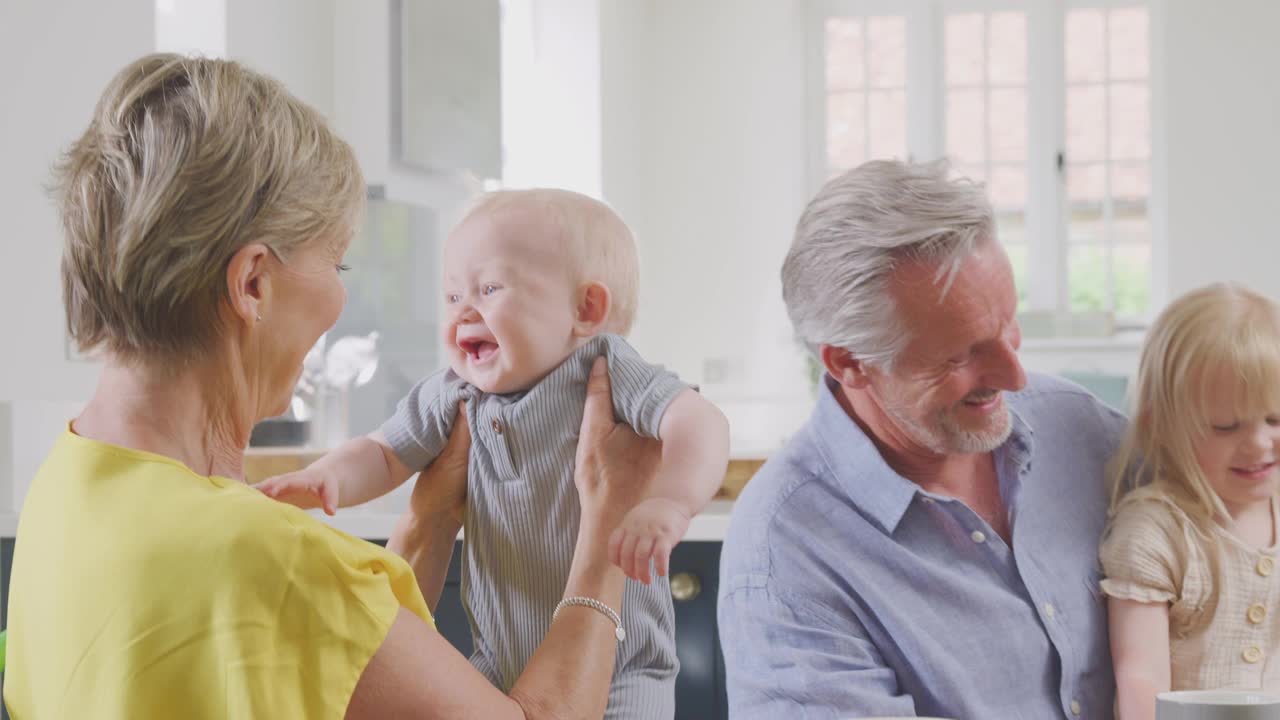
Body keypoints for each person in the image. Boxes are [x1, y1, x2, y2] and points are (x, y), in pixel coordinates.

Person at [3, 52, 664, 720]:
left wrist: (430, 517)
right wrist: (607, 530)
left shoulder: (63, 485)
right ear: (253, 283)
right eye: (336, 260)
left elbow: (351, 671)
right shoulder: (272, 560)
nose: (341, 296)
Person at [257, 188, 730, 718]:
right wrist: (328, 478)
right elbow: (383, 452)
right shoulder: (457, 391)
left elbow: (701, 422)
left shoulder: (607, 370)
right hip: (496, 664)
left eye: (488, 289)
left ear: (585, 308)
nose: (464, 313)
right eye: (453, 297)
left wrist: (670, 502)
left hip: (623, 673)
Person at [717, 159, 1127, 718]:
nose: (1016, 377)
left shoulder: (1084, 431)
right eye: (962, 355)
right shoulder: (786, 552)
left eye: (1008, 326)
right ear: (849, 362)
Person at [1102, 284, 1280, 718]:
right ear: (1160, 427)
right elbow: (1140, 679)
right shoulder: (1154, 532)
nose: (1259, 445)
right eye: (1225, 426)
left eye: (1275, 418)